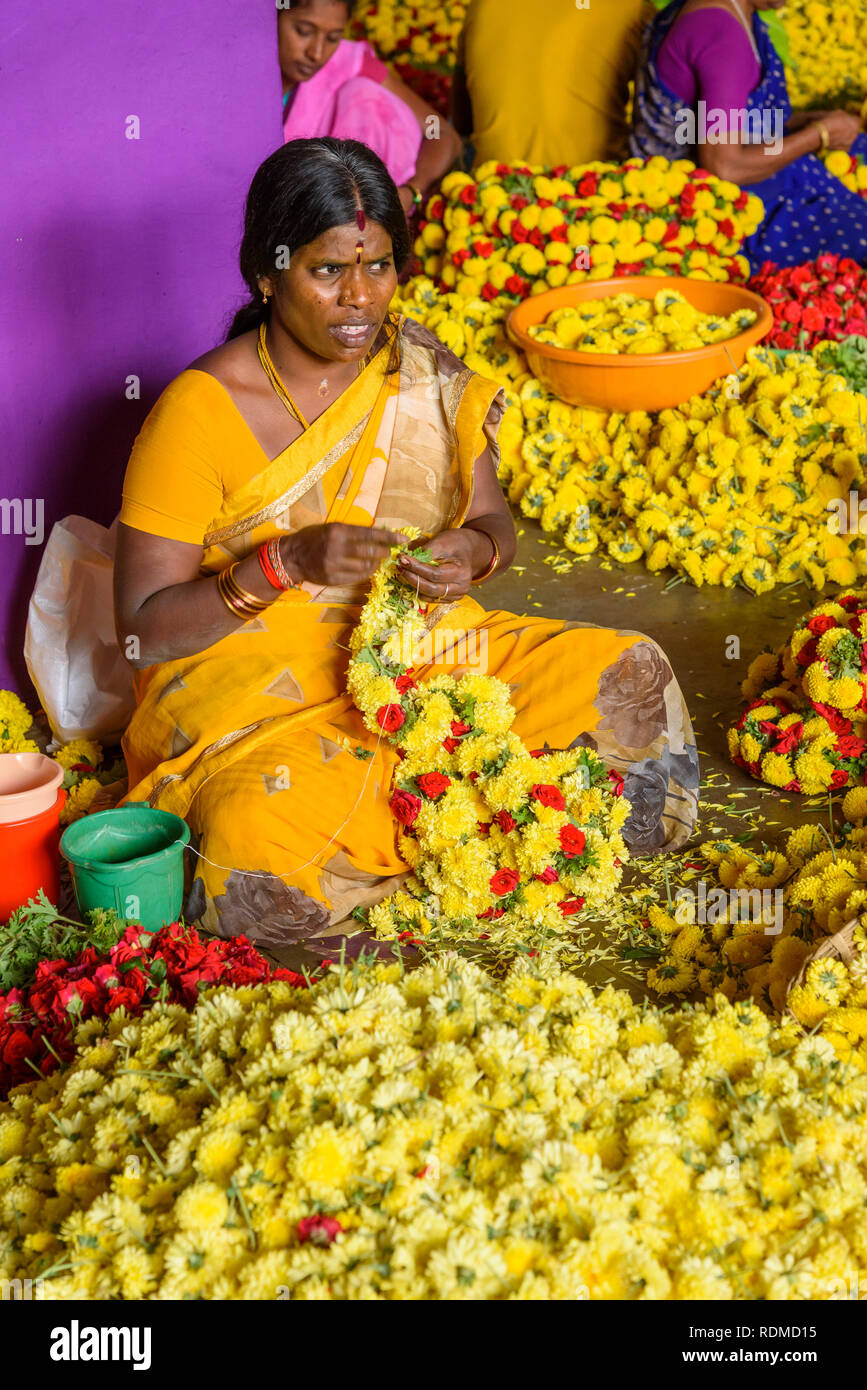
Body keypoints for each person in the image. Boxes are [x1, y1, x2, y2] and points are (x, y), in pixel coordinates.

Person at [114, 138, 699, 950]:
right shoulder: (198, 412)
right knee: (249, 833)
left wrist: (473, 555)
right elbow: (144, 629)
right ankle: (478, 838)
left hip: (432, 655)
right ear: (267, 273)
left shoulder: (415, 368)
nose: (359, 299)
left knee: (627, 671)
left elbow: (496, 525)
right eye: (326, 272)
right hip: (258, 696)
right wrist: (285, 564)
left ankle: (448, 836)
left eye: (379, 267)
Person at [631, 0, 867, 269]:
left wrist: (804, 124)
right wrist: (819, 135)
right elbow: (725, 166)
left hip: (748, 161)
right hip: (722, 206)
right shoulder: (721, 36)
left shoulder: (729, 11)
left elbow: (734, 120)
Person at [279, 0, 461, 219]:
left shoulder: (349, 63)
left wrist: (410, 192)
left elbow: (442, 133)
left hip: (352, 224)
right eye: (304, 31)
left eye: (332, 38)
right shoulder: (236, 74)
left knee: (363, 95)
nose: (316, 53)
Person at [453, 0, 652, 168]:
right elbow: (665, 108)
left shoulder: (483, 4)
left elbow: (462, 119)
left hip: (491, 189)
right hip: (596, 189)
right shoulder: (631, 7)